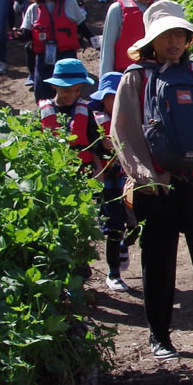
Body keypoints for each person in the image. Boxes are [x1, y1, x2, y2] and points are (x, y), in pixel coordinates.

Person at [110, 0, 193, 366]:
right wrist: (144, 176)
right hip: (156, 188)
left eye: (180, 34)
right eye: (167, 35)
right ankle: (159, 335)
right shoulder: (134, 78)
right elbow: (124, 132)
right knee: (158, 262)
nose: (175, 41)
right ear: (153, 40)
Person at [89, 70, 135, 292]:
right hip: (109, 183)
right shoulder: (95, 120)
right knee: (115, 225)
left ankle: (124, 246)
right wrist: (101, 146)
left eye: (119, 95)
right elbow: (88, 147)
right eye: (111, 96)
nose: (115, 101)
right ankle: (113, 273)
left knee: (138, 223)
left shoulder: (133, 117)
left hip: (131, 180)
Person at [16, 0, 85, 100]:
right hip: (43, 58)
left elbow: (82, 26)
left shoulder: (70, 3)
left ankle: (72, 120)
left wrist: (95, 41)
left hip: (67, 56)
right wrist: (18, 35)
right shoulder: (33, 9)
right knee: (43, 92)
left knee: (69, 92)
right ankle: (45, 119)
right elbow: (26, 34)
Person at [99, 0, 159, 78]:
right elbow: (107, 50)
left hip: (155, 76)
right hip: (125, 76)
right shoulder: (117, 10)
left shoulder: (160, 8)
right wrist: (106, 83)